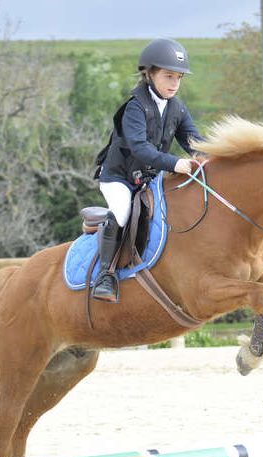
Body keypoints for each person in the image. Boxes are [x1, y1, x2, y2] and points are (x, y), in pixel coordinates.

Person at [92, 37, 203, 302]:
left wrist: (214, 158)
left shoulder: (177, 108)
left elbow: (193, 141)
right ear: (149, 73)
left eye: (178, 78)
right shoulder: (135, 106)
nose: (174, 83)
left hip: (148, 178)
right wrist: (175, 163)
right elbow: (140, 149)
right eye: (168, 76)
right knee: (122, 211)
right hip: (118, 178)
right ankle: (104, 276)